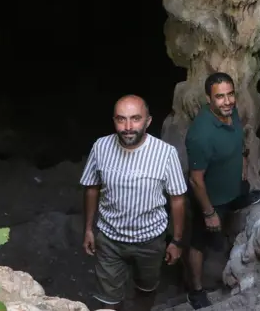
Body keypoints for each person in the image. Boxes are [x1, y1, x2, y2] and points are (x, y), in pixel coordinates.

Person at [79, 95, 188, 311]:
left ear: (148, 121)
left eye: (135, 119)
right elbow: (92, 187)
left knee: (146, 290)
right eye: (121, 119)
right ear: (114, 121)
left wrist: (176, 241)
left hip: (151, 240)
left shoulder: (165, 154)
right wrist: (89, 229)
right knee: (108, 300)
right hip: (110, 240)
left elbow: (177, 199)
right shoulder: (101, 147)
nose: (128, 127)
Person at [184, 72, 260, 309]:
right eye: (220, 97)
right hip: (211, 198)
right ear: (209, 99)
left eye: (230, 94)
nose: (227, 101)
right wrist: (208, 212)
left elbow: (239, 139)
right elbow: (196, 180)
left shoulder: (231, 112)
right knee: (199, 243)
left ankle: (238, 199)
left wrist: (244, 163)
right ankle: (195, 290)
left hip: (230, 185)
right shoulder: (201, 135)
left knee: (242, 190)